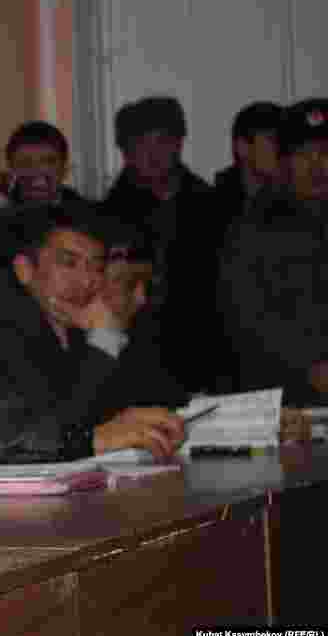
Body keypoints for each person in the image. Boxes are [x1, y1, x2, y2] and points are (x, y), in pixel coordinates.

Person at [0, 204, 185, 458]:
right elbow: (59, 428)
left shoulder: (81, 323)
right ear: (25, 270)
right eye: (69, 263)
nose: (86, 282)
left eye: (96, 268)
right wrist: (104, 338)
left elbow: (146, 399)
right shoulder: (0, 329)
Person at [103, 95, 226, 393]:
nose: (153, 154)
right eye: (141, 144)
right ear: (125, 151)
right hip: (132, 368)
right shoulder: (105, 217)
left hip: (208, 361)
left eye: (162, 141)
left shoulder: (213, 207)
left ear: (179, 144)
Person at [221, 98, 328, 407]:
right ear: (284, 161)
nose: (316, 166)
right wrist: (308, 367)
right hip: (283, 402)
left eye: (325, 153)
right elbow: (245, 319)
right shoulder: (252, 227)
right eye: (303, 154)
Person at [0, 121, 88, 267]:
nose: (37, 171)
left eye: (49, 162)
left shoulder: (87, 218)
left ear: (65, 168)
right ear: (11, 169)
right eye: (25, 163)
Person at [213, 101, 283, 219]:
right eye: (273, 140)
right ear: (242, 147)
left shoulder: (300, 200)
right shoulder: (211, 206)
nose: (282, 148)